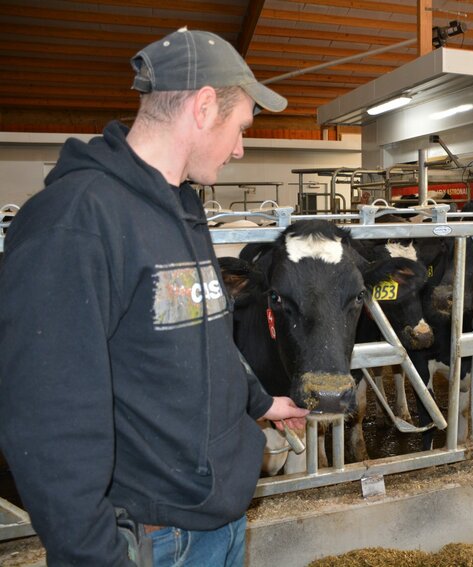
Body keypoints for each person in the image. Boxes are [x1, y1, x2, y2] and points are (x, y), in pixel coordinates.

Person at [0, 28, 310, 566]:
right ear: (204, 105)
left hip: (219, 519)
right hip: (159, 537)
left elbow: (201, 333)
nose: (240, 147)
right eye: (241, 128)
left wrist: (258, 402)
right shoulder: (75, 221)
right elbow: (47, 418)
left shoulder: (183, 209)